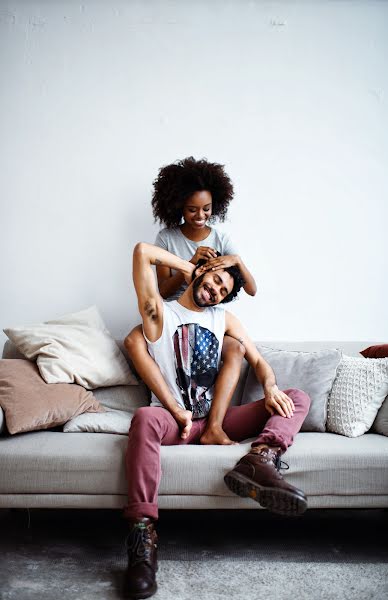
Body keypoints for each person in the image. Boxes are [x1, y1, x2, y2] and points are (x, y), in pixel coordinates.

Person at [123, 242, 311, 599]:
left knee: (296, 397)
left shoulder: (222, 319)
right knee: (145, 417)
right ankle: (142, 540)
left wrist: (270, 387)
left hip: (216, 422)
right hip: (173, 422)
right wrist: (188, 267)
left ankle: (260, 459)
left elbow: (256, 360)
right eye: (215, 281)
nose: (215, 291)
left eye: (223, 291)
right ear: (203, 272)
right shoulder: (159, 314)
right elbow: (142, 252)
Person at [124, 157, 257, 411]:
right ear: (179, 207)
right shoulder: (166, 238)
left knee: (236, 348)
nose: (200, 215)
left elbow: (250, 289)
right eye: (192, 209)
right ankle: (171, 405)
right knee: (133, 339)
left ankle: (215, 422)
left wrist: (237, 261)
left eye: (206, 208)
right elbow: (163, 291)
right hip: (174, 313)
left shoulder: (221, 237)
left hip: (207, 314)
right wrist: (190, 264)